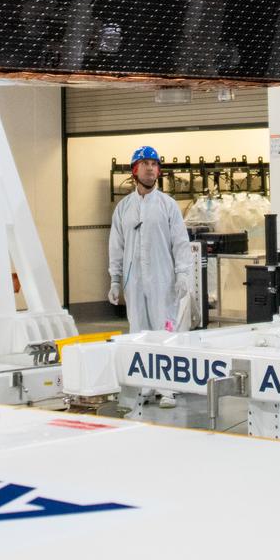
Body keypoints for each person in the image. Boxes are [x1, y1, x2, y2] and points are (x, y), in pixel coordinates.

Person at [108, 145, 192, 407]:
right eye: (144, 163)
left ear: (159, 170)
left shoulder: (168, 206)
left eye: (154, 164)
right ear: (135, 170)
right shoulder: (124, 208)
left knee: (165, 332)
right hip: (134, 283)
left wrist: (183, 275)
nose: (150, 168)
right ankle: (145, 384)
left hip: (163, 281)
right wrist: (114, 279)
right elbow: (116, 245)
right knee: (138, 332)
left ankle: (167, 388)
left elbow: (180, 243)